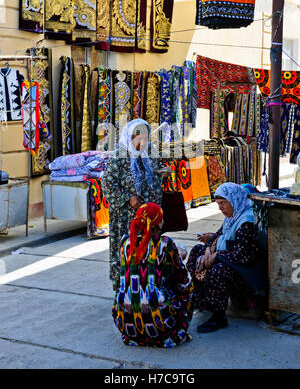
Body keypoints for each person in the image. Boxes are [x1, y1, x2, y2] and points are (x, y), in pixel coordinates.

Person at [112, 202, 194, 347]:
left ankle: (136, 336)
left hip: (125, 324)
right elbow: (181, 277)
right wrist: (178, 256)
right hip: (160, 324)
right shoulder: (165, 243)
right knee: (189, 288)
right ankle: (176, 335)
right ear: (158, 223)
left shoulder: (125, 243)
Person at [187, 182, 262, 333]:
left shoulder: (246, 221)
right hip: (229, 260)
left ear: (234, 200)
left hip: (245, 273)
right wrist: (208, 250)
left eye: (223, 203)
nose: (220, 208)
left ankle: (218, 316)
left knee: (219, 270)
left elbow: (242, 255)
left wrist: (216, 256)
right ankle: (201, 300)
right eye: (218, 204)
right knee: (197, 251)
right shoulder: (232, 215)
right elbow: (217, 235)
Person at [101, 119, 166, 291]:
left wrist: (162, 173)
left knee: (149, 250)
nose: (144, 142)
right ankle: (123, 288)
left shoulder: (149, 154)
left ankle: (148, 285)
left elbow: (155, 171)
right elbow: (107, 184)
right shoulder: (118, 157)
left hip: (149, 217)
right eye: (140, 138)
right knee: (126, 250)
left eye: (146, 138)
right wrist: (127, 198)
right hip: (126, 218)